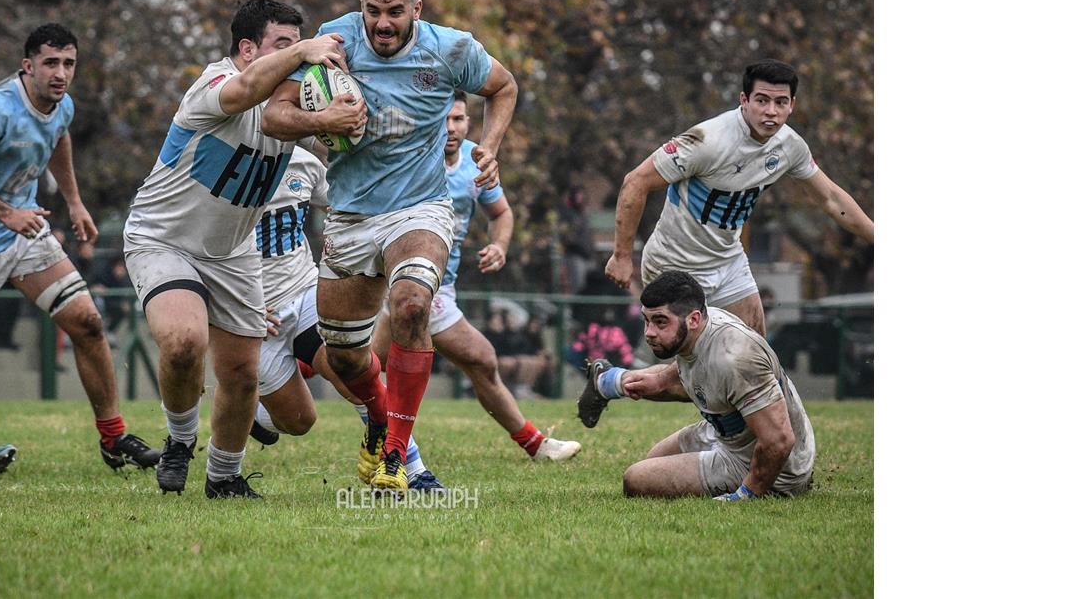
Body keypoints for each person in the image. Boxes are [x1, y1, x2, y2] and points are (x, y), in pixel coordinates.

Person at [263, 0, 519, 493]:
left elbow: (504, 86)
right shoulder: (332, 43)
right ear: (361, 6)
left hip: (419, 208)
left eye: (396, 12)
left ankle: (399, 458)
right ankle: (380, 425)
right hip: (351, 216)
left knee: (411, 306)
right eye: (374, 10)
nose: (383, 23)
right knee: (346, 360)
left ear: (416, 9)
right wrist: (321, 119)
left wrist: (490, 147)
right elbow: (275, 115)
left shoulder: (451, 48)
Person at [123, 0, 364, 499]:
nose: (298, 58)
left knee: (240, 374)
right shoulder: (213, 85)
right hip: (163, 239)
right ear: (247, 48)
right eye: (284, 46)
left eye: (298, 46)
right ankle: (180, 440)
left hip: (233, 253)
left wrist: (344, 120)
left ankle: (224, 478)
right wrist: (306, 51)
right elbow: (249, 88)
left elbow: (323, 155)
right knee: (184, 342)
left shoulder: (285, 107)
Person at [0, 23, 161, 481]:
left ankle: (113, 435)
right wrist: (5, 214)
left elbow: (59, 137)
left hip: (24, 234)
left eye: (69, 64)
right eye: (51, 63)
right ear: (28, 66)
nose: (61, 73)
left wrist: (74, 201)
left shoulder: (62, 106)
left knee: (89, 322)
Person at [367, 92, 578, 461]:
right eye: (444, 119)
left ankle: (285, 379)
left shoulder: (475, 160)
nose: (451, 128)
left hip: (440, 285)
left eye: (459, 120)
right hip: (407, 281)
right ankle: (535, 445)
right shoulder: (412, 157)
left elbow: (501, 213)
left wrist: (499, 245)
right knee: (480, 359)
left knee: (362, 363)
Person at [603, 59, 874, 337]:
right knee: (694, 367)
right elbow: (635, 182)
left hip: (728, 261)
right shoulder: (707, 141)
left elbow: (831, 198)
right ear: (744, 100)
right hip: (674, 265)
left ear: (792, 105)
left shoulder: (790, 146)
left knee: (754, 357)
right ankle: (613, 381)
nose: (771, 111)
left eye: (781, 102)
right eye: (762, 100)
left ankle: (613, 380)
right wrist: (622, 256)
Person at [249, 147, 445, 492]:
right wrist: (236, 302)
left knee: (349, 367)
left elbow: (352, 204)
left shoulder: (302, 162)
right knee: (298, 420)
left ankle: (411, 467)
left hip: (304, 290)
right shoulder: (224, 165)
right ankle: (248, 412)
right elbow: (197, 246)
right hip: (253, 310)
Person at [576, 271, 815, 499]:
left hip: (777, 470)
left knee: (636, 479)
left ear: (693, 319)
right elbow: (678, 379)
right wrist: (633, 383)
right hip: (729, 434)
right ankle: (606, 381)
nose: (648, 333)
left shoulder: (734, 358)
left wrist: (747, 494)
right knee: (651, 460)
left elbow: (779, 440)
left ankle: (765, 484)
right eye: (646, 321)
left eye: (660, 322)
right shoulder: (703, 328)